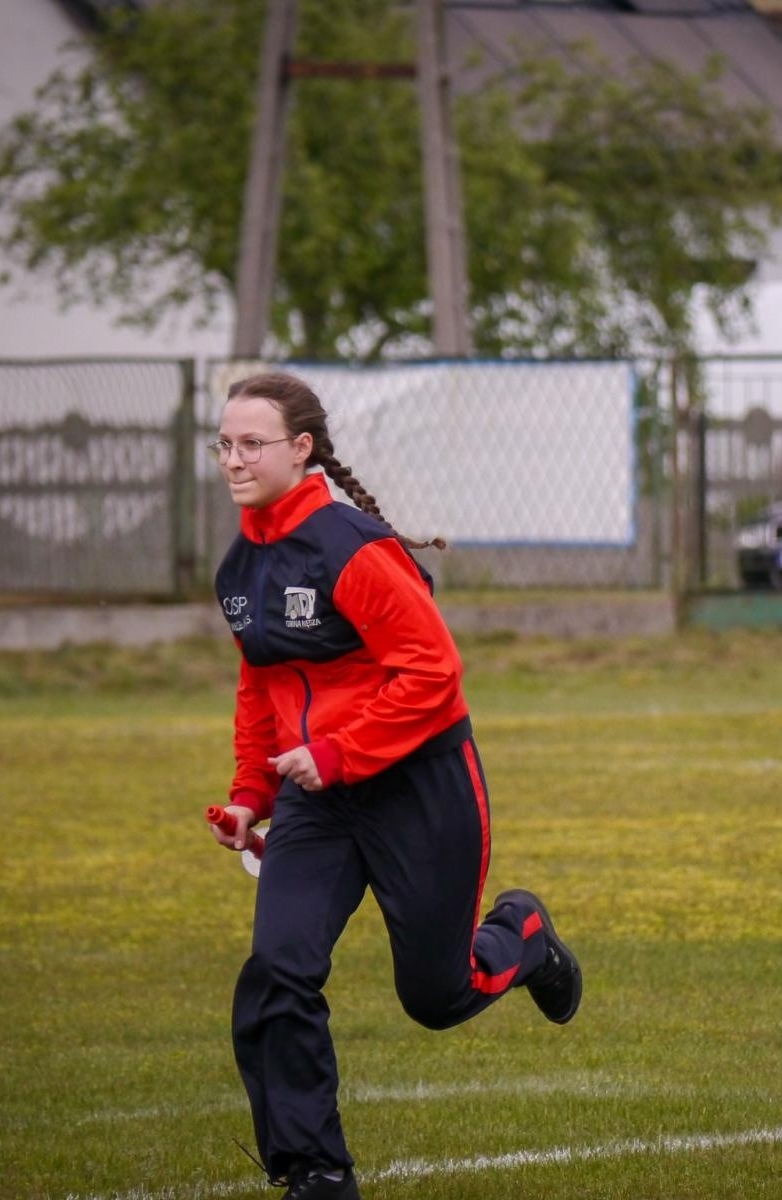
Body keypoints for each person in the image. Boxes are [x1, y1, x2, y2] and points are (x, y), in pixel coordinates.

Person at [206, 372, 583, 1200]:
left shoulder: (352, 548)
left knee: (436, 997)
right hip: (319, 798)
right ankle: (315, 1169)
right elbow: (258, 690)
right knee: (279, 968)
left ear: (301, 449)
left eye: (251, 443)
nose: (233, 458)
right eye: (224, 444)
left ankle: (523, 935)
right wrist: (249, 797)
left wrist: (341, 750)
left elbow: (435, 677)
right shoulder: (239, 565)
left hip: (419, 785)